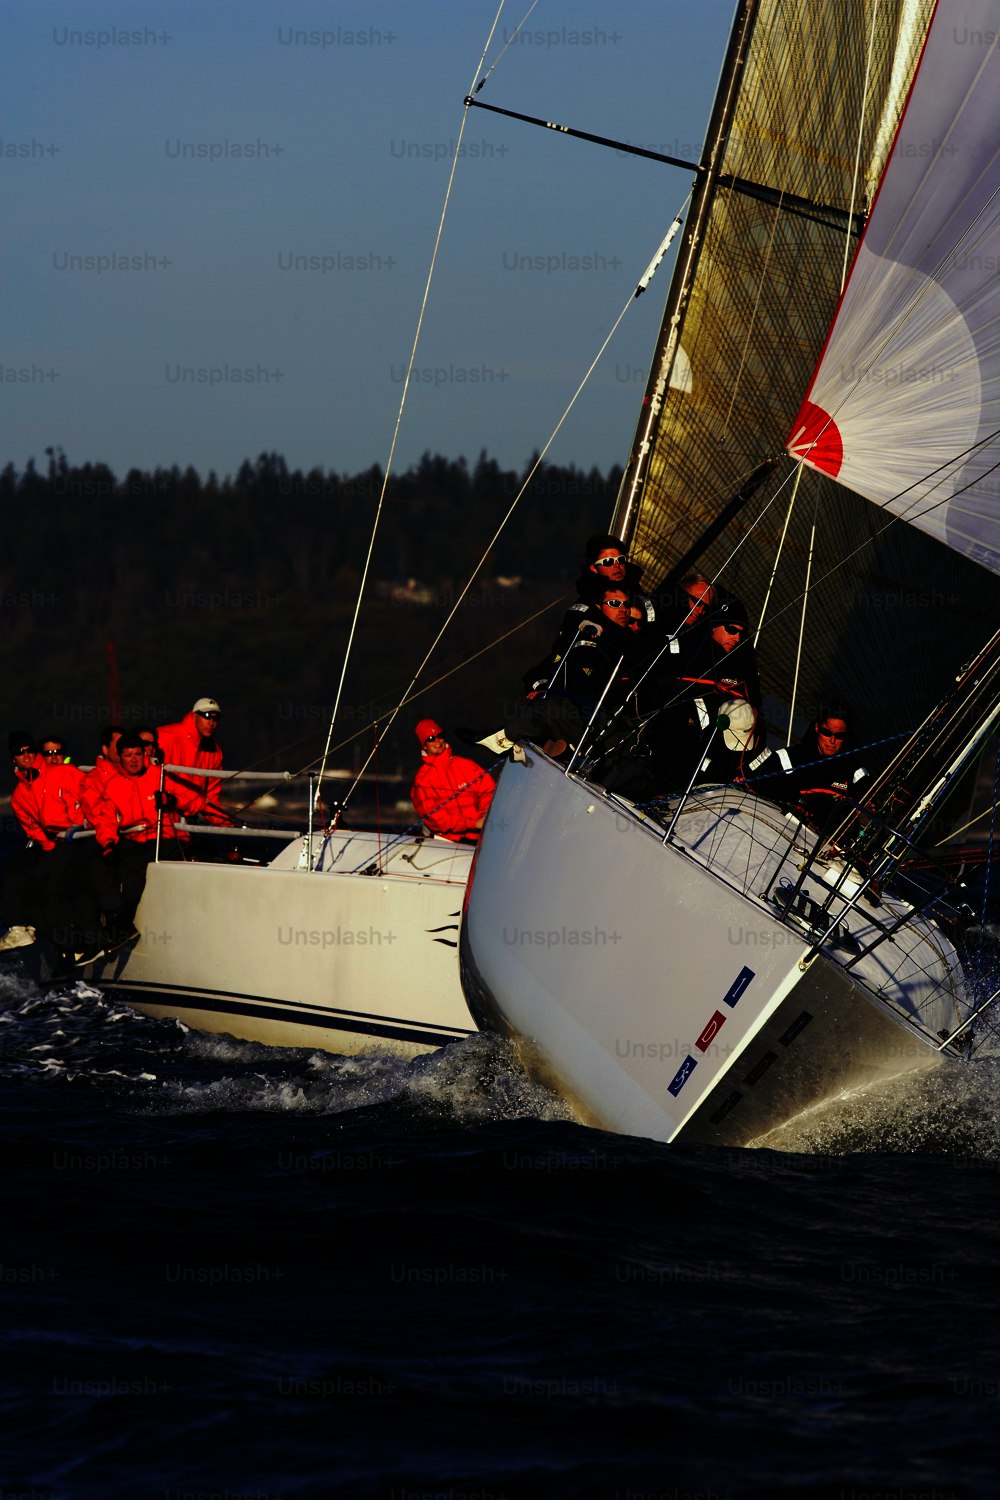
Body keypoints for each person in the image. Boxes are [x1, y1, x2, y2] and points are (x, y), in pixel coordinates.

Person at [92, 731, 201, 925]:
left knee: (137, 865)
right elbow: (106, 820)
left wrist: (172, 800)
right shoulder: (114, 785)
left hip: (165, 836)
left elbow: (195, 800)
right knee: (106, 865)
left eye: (138, 755)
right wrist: (108, 844)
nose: (134, 760)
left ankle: (136, 920)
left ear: (145, 755)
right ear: (120, 758)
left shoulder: (162, 775)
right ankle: (117, 919)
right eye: (128, 755)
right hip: (133, 840)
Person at [746, 705, 870, 830]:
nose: (832, 741)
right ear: (817, 728)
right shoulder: (791, 757)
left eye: (839, 736)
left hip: (828, 842)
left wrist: (865, 815)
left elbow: (868, 802)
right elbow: (756, 781)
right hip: (785, 829)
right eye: (827, 733)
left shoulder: (855, 769)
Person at [411, 720, 495, 842]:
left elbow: (488, 791)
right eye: (431, 738)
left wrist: (485, 815)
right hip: (445, 843)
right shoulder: (422, 779)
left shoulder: (467, 765)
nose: (437, 741)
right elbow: (435, 819)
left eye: (440, 736)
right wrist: (474, 823)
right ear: (424, 745)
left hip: (478, 840)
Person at [157, 697, 232, 825]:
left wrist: (227, 824)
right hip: (159, 817)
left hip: (188, 821)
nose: (211, 722)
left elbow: (211, 798)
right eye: (206, 716)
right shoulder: (164, 736)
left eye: (216, 718)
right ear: (194, 716)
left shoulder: (215, 752)